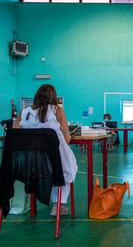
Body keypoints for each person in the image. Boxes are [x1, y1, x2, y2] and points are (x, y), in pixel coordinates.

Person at [13, 84, 78, 216]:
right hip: (55, 161)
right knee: (68, 168)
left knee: (55, 169)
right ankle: (58, 204)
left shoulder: (24, 112)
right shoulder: (57, 111)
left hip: (30, 163)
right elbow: (66, 138)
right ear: (54, 97)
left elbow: (15, 136)